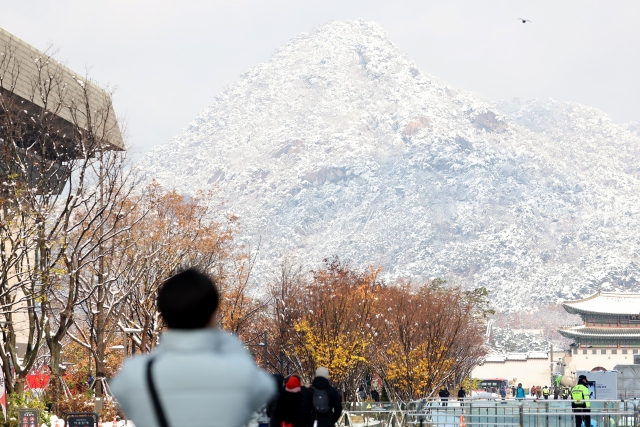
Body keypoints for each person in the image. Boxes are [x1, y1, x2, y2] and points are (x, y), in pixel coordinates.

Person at [111, 268, 275, 427]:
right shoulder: (240, 372)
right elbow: (266, 388)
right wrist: (225, 338)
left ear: (163, 313)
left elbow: (119, 391)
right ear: (212, 313)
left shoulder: (136, 374)